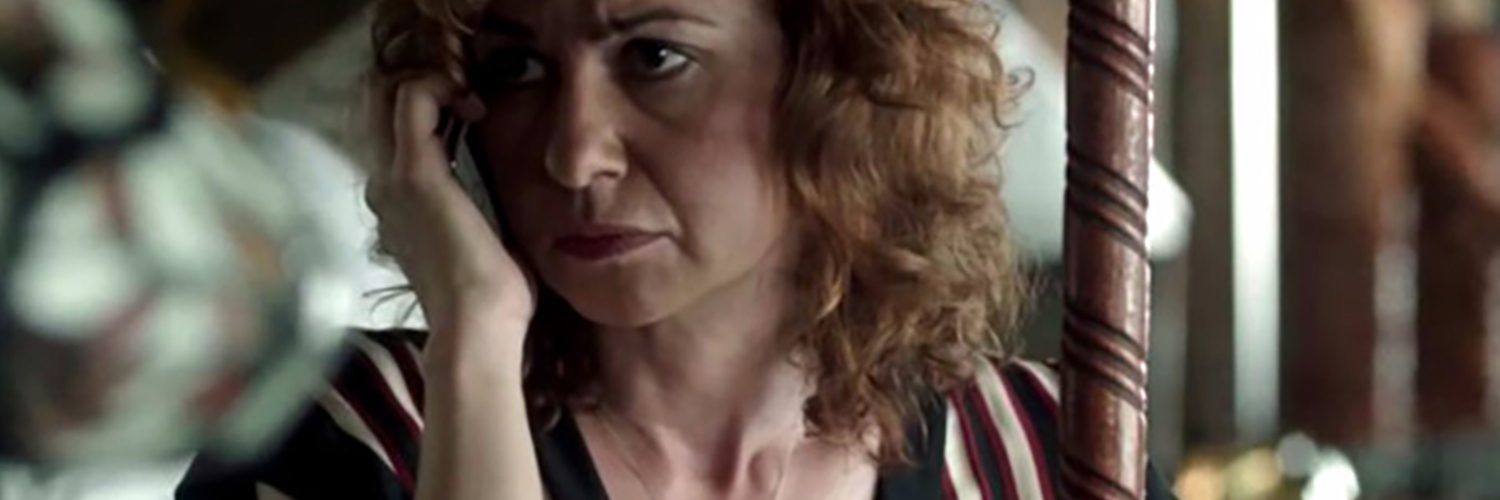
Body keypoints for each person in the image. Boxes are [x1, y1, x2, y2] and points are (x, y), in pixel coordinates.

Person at [179, 0, 1174, 498]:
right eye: (516, 67)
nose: (574, 152)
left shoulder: (1041, 452)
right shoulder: (342, 436)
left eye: (655, 56)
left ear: (831, 75)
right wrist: (475, 341)